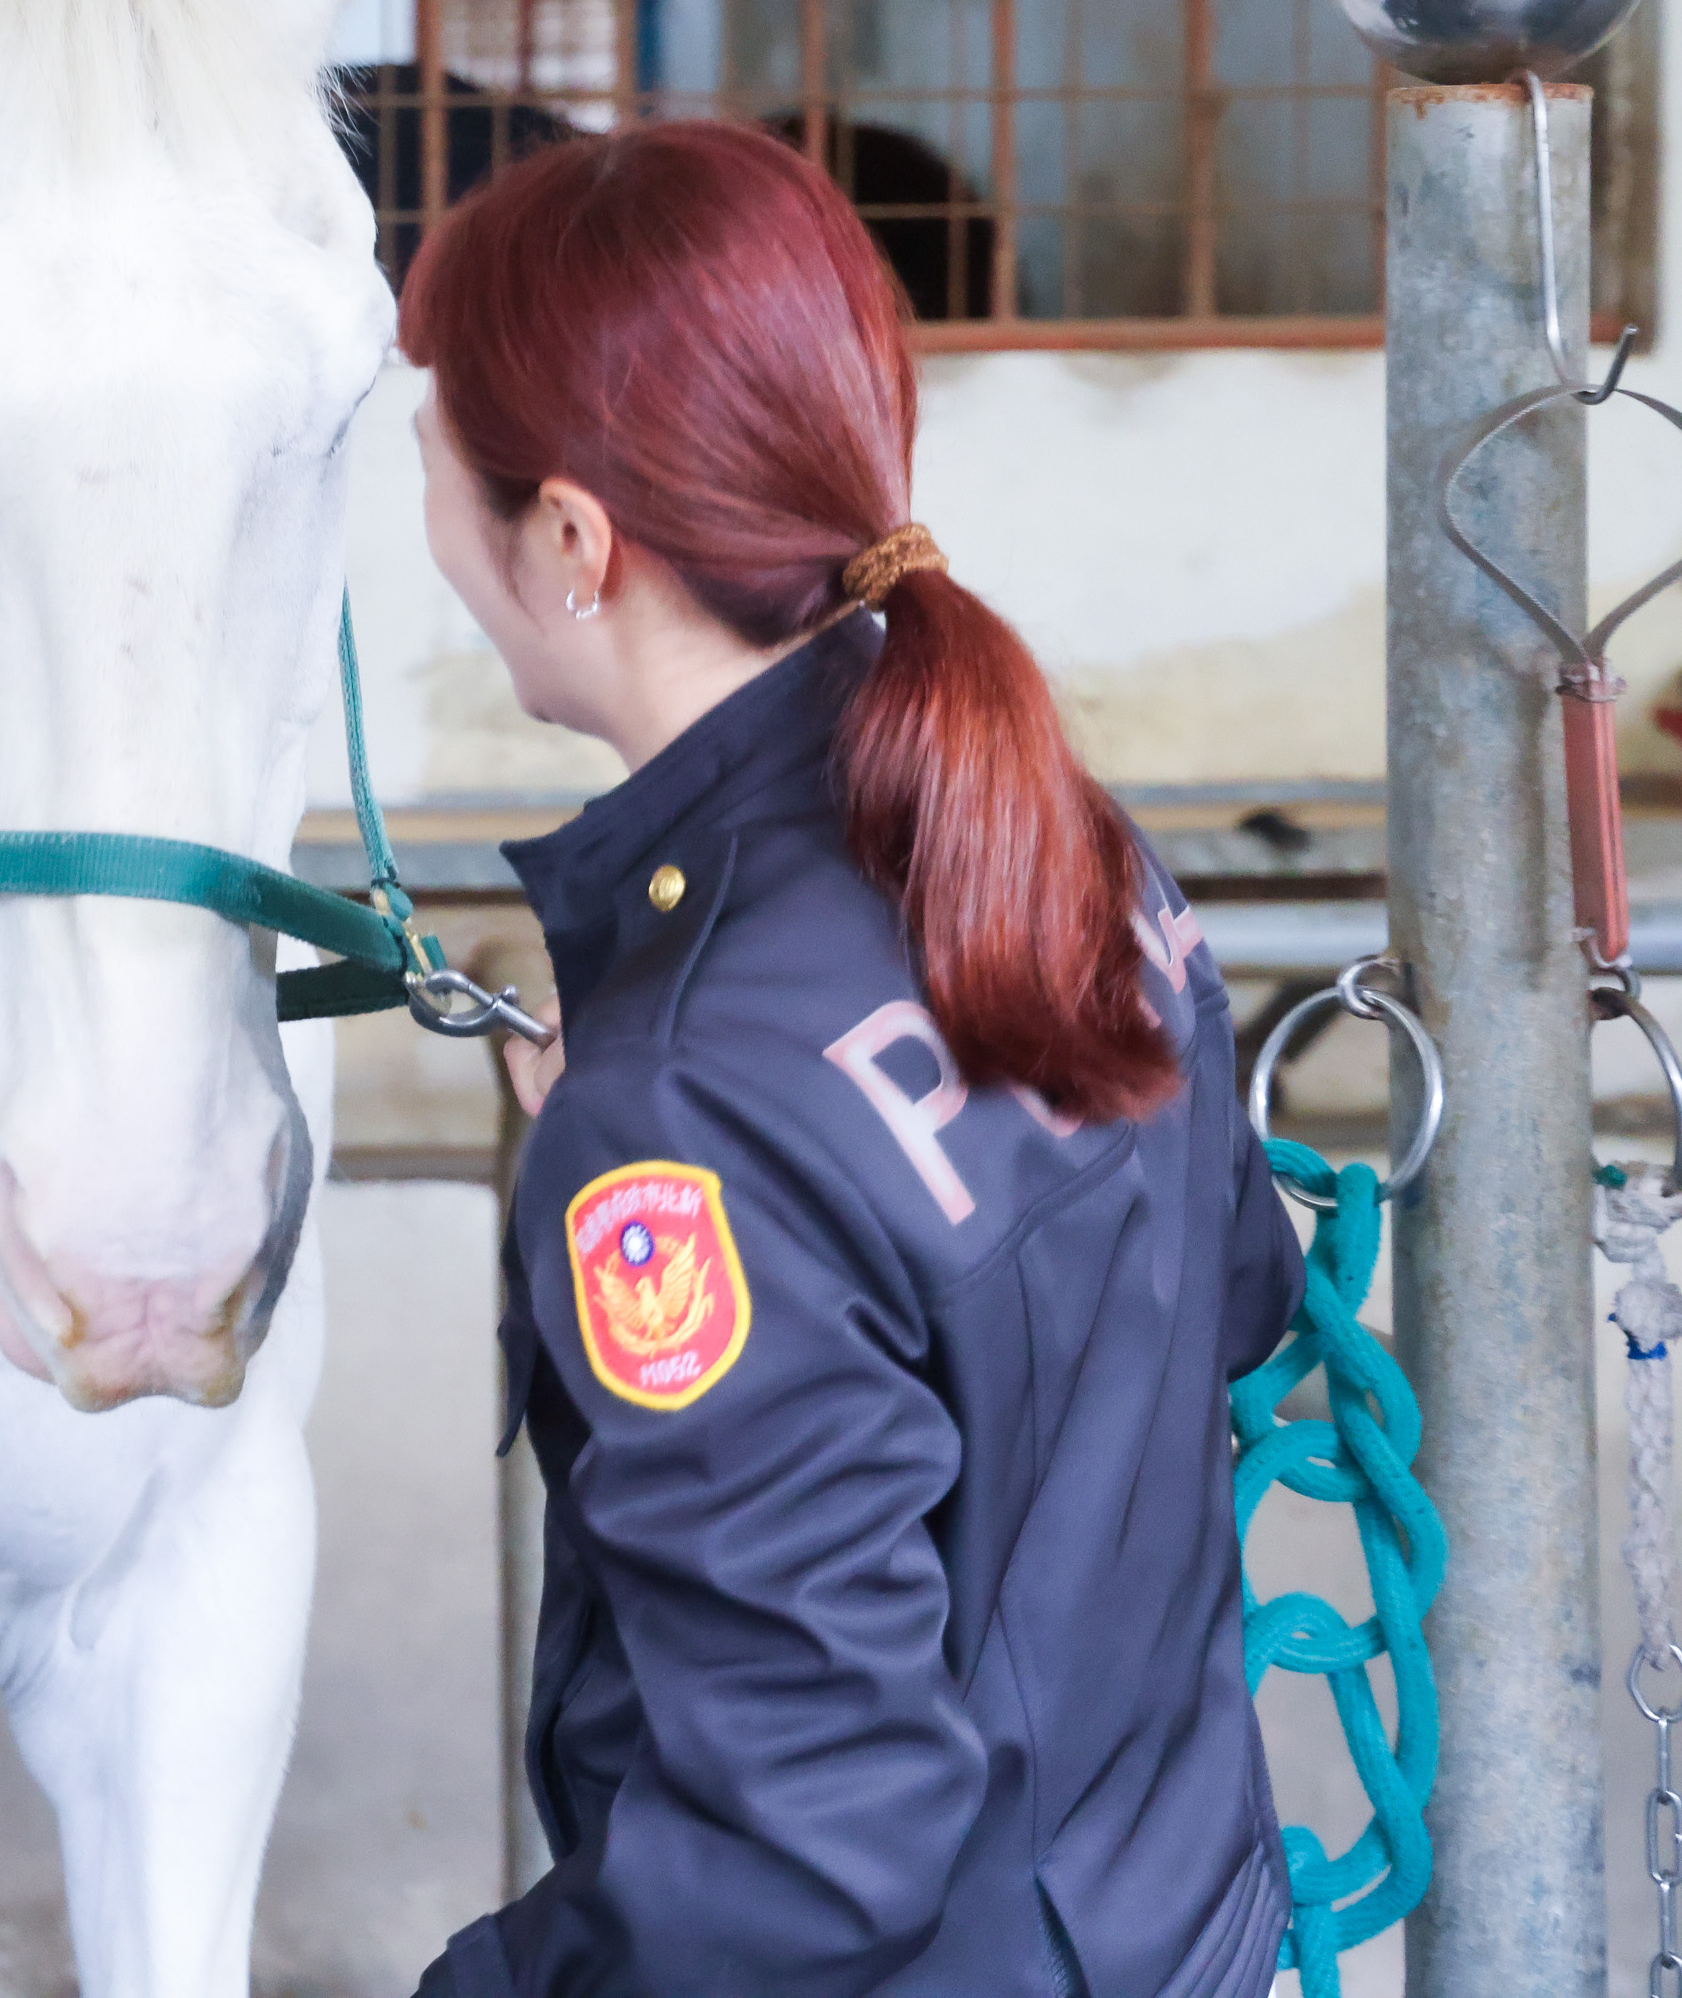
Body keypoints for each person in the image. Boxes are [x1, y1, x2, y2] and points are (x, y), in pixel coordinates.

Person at [393, 123, 1305, 1997]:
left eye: (431, 464)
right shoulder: (1055, 833)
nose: (423, 520)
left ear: (571, 542)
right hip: (1183, 1923)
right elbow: (1228, 1291)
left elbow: (808, 1842)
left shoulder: (682, 1119)